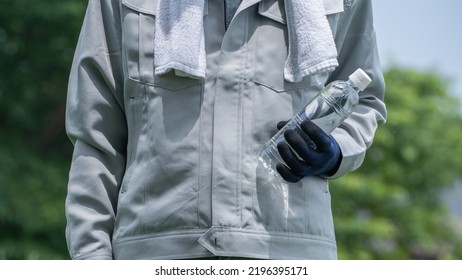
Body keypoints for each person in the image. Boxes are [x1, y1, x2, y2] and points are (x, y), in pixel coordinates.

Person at [65, 0, 386, 260]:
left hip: (290, 254)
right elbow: (96, 135)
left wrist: (337, 151)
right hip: (156, 252)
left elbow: (363, 97)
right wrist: (91, 258)